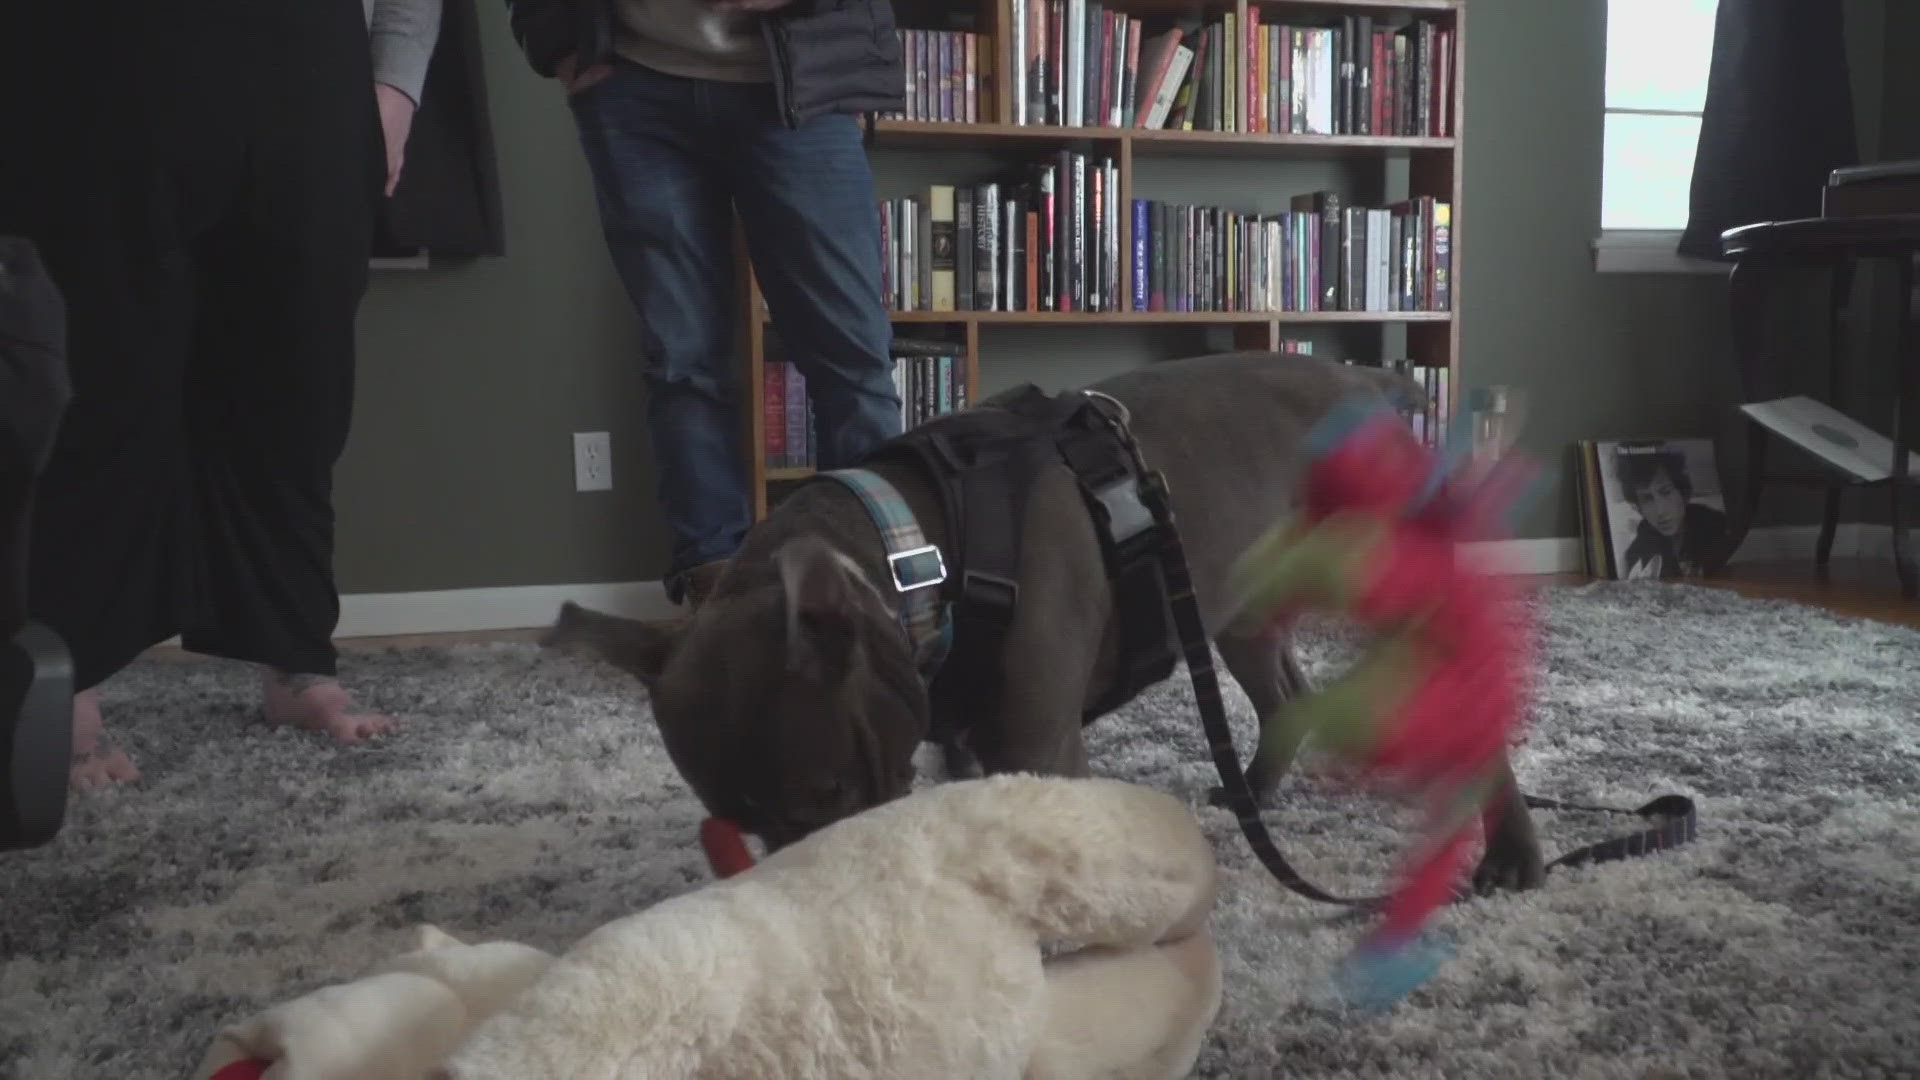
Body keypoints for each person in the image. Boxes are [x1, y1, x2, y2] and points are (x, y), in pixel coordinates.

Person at [0, 0, 443, 791]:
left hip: (307, 58)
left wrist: (398, 84)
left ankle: (297, 660)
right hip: (87, 55)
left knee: (300, 377)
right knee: (98, 369)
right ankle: (68, 683)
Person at [505, 0, 908, 605]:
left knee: (851, 355)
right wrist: (559, 46)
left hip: (801, 86)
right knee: (682, 360)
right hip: (632, 85)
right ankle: (717, 597)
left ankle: (874, 591)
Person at [1614, 444, 1729, 579]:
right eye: (1647, 499)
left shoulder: (1719, 529)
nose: (1660, 510)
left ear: (1681, 491)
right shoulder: (1636, 554)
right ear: (1639, 507)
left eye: (1666, 492)